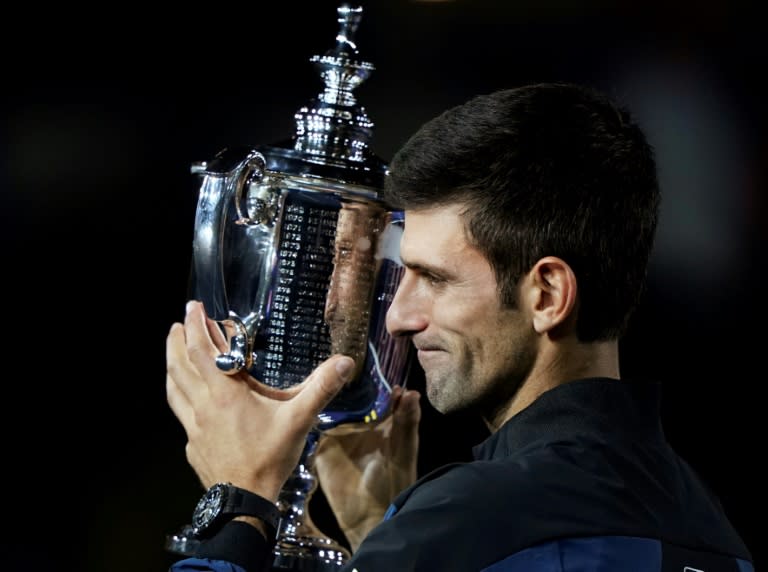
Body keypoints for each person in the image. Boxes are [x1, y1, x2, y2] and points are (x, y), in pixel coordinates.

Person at [165, 82, 754, 571]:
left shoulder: (471, 522)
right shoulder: (715, 529)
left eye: (435, 278)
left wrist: (238, 499)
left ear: (547, 294)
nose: (398, 316)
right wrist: (384, 525)